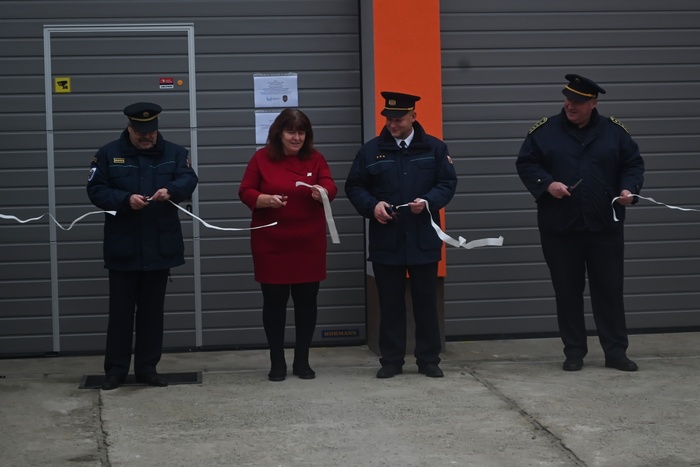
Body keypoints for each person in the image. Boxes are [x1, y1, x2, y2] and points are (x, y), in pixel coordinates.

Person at [516, 74, 645, 372]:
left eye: (577, 101)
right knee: (567, 291)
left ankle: (616, 352)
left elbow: (633, 164)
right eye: (567, 99)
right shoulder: (544, 131)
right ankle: (574, 351)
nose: (570, 106)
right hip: (560, 227)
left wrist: (629, 189)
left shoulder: (614, 132)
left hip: (605, 226)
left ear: (593, 103)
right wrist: (547, 184)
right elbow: (526, 163)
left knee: (609, 291)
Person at [345, 91, 458, 378]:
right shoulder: (371, 151)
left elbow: (447, 183)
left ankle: (428, 359)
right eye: (389, 119)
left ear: (413, 117)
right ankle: (391, 360)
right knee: (390, 303)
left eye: (399, 119)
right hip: (387, 239)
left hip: (423, 239)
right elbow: (355, 187)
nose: (393, 124)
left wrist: (429, 201)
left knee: (426, 303)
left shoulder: (434, 148)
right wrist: (373, 206)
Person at [86, 102, 198, 390]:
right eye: (140, 133)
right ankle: (116, 371)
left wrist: (171, 190)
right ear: (129, 128)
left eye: (151, 132)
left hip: (160, 247)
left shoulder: (175, 153)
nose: (146, 137)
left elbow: (189, 179)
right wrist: (125, 200)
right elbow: (96, 190)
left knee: (152, 314)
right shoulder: (108, 154)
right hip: (123, 247)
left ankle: (148, 368)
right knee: (120, 314)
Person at [239, 108, 337, 382]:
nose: (296, 138)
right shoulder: (261, 158)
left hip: (308, 243)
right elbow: (245, 190)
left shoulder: (316, 159)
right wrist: (263, 199)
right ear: (278, 133)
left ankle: (302, 360)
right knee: (274, 302)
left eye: (301, 132)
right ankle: (277, 361)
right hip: (271, 243)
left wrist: (322, 192)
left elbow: (330, 186)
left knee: (307, 302)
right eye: (291, 132)